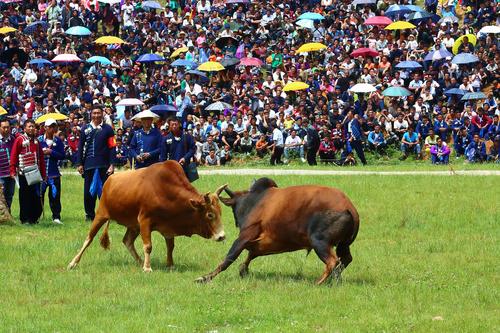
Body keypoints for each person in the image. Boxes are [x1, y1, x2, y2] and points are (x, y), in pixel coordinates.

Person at [76, 106, 116, 222]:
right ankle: (89, 215)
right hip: (89, 165)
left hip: (104, 165)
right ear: (91, 114)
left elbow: (112, 147)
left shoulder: (108, 129)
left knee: (105, 192)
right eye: (94, 113)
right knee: (88, 191)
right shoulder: (85, 129)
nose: (96, 115)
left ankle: (107, 214)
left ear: (102, 114)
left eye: (99, 113)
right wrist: (79, 163)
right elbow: (80, 147)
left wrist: (112, 164)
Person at [10, 119, 46, 224]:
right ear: (24, 128)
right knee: (24, 196)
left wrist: (43, 174)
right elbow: (13, 155)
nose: (31, 128)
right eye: (29, 126)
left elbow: (41, 159)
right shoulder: (19, 139)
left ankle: (33, 218)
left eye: (33, 126)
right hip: (23, 173)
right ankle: (24, 218)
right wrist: (12, 170)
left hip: (35, 173)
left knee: (35, 196)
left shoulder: (37, 141)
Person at [39, 119, 65, 224]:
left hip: (54, 173)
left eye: (54, 126)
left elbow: (62, 155)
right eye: (50, 126)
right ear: (45, 127)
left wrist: (51, 152)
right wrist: (42, 152)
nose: (52, 129)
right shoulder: (39, 140)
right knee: (39, 195)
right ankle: (38, 215)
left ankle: (56, 217)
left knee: (55, 196)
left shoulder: (58, 141)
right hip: (41, 174)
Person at [0, 119, 16, 211]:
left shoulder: (13, 140)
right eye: (4, 127)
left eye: (8, 127)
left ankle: (8, 216)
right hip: (0, 174)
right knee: (1, 197)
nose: (6, 129)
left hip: (11, 174)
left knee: (9, 195)